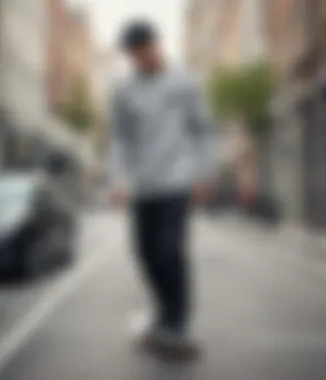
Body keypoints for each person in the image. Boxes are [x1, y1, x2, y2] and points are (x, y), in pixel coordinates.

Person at [108, 19, 216, 361]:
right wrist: (116, 180)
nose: (139, 59)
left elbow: (202, 130)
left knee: (170, 252)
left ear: (156, 46)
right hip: (143, 186)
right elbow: (120, 139)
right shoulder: (123, 90)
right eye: (132, 55)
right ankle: (163, 316)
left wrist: (202, 174)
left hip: (176, 183)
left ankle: (178, 325)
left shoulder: (186, 83)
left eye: (143, 51)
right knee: (145, 255)